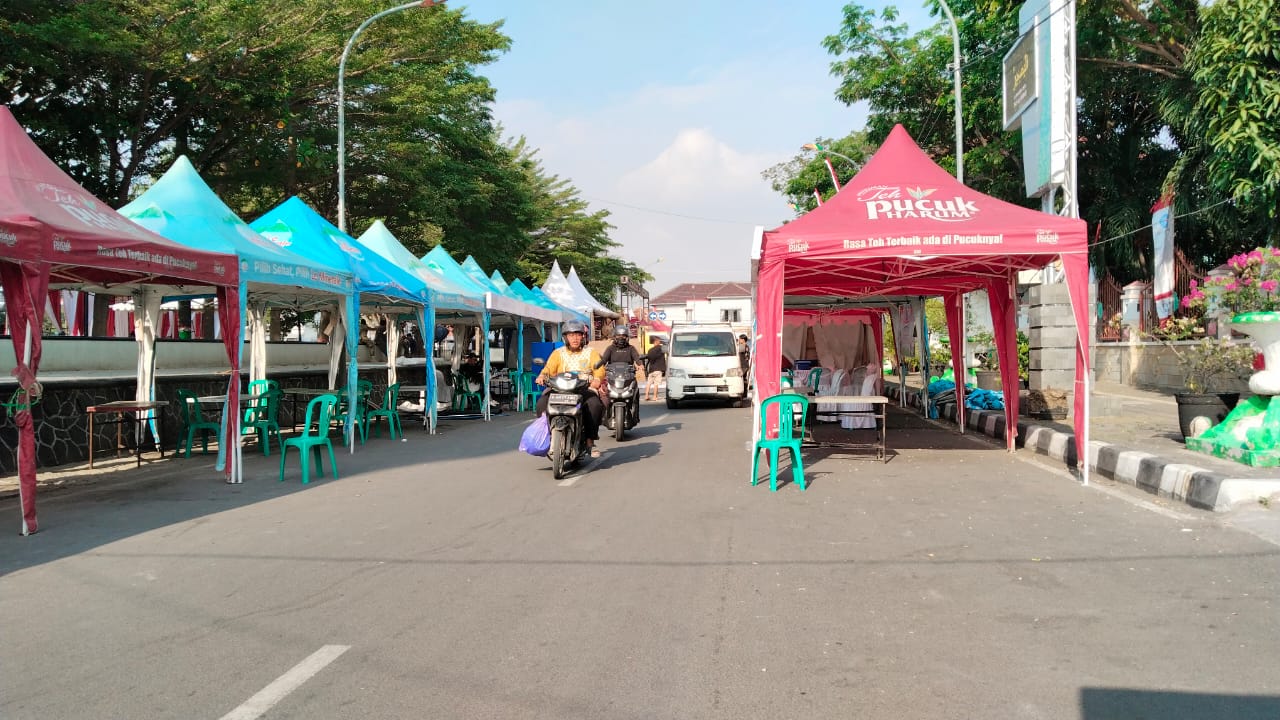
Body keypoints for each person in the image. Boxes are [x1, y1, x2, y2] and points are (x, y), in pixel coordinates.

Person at [536, 319, 605, 457]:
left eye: (578, 334)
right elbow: (549, 368)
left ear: (583, 337)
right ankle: (548, 436)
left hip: (583, 388)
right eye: (571, 335)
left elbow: (599, 369)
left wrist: (597, 380)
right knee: (542, 403)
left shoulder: (591, 353)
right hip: (559, 388)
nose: (575, 338)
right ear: (565, 337)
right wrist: (542, 376)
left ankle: (590, 441)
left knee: (595, 405)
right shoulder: (558, 353)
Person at [643, 336, 666, 401]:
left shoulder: (650, 350)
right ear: (656, 342)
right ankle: (654, 396)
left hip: (651, 369)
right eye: (659, 341)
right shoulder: (661, 348)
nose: (660, 342)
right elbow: (668, 349)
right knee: (656, 384)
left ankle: (646, 396)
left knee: (649, 383)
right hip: (658, 369)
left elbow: (649, 358)